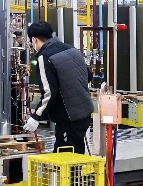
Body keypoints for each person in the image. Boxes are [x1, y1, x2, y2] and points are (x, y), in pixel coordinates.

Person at [27, 21, 94, 153]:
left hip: (69, 117)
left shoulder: (44, 57)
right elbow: (88, 75)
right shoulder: (72, 49)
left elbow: (49, 93)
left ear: (34, 40)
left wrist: (36, 117)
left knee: (65, 156)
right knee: (76, 152)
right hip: (85, 112)